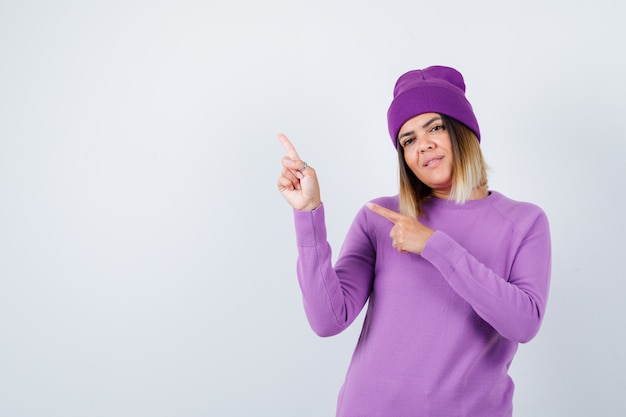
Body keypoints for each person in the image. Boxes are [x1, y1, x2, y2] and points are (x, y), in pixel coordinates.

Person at [277, 65, 551, 417]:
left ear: (463, 131)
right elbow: (328, 319)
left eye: (435, 127)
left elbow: (523, 324)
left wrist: (434, 245)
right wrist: (308, 214)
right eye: (408, 140)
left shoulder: (524, 222)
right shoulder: (381, 217)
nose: (424, 146)